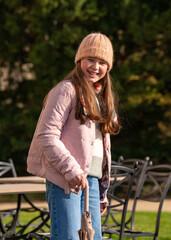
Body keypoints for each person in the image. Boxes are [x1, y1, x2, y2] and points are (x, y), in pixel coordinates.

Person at [27, 32, 121, 240]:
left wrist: (101, 190)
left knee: (92, 238)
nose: (95, 67)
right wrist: (71, 170)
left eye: (102, 62)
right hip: (66, 178)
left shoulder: (101, 98)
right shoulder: (66, 90)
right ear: (79, 60)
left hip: (92, 181)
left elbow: (97, 148)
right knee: (67, 237)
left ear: (108, 67)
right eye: (90, 59)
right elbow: (46, 135)